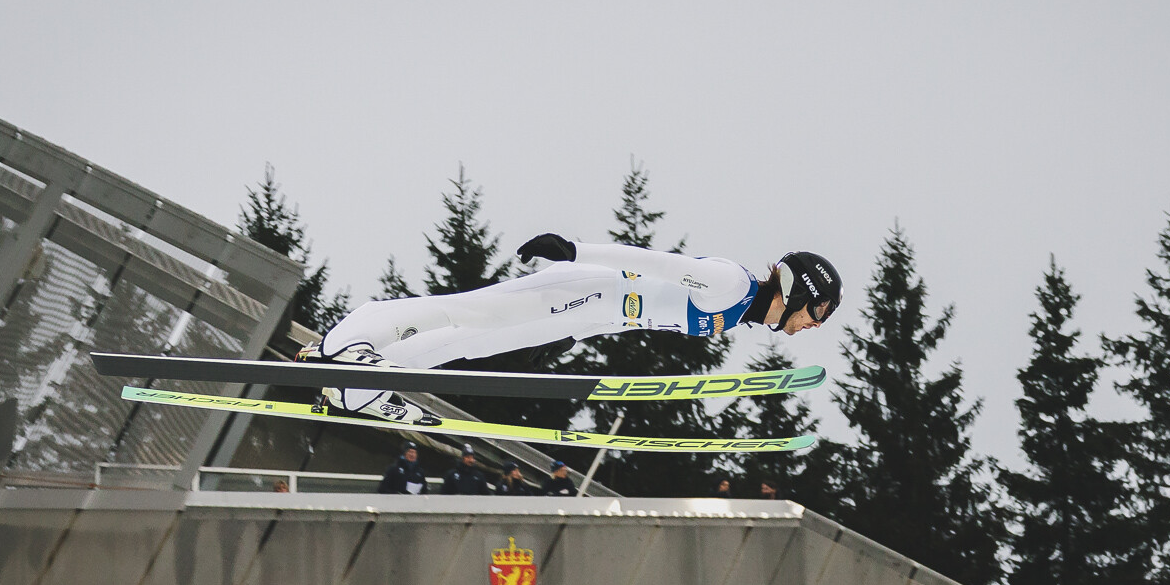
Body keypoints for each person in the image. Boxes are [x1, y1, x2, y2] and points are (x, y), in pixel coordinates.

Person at [299, 235, 843, 422]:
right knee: (469, 314)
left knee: (473, 341)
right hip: (578, 287)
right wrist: (573, 249)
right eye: (814, 313)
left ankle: (365, 378)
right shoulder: (730, 284)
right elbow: (649, 263)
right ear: (798, 291)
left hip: (582, 312)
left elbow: (636, 310)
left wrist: (572, 335)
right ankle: (353, 346)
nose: (809, 326)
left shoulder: (736, 310)